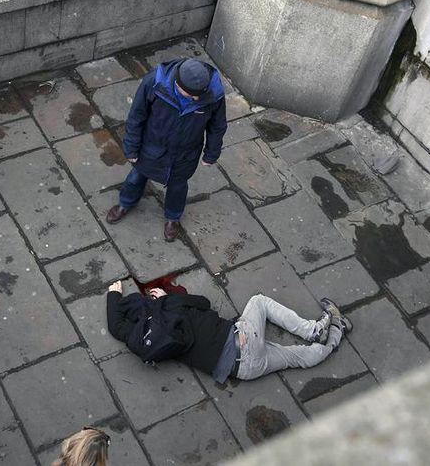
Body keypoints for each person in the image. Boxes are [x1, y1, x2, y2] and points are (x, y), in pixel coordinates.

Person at [105, 280, 352, 382]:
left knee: (294, 358)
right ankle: (314, 331)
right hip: (241, 340)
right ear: (148, 300)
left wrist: (113, 300)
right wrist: (165, 298)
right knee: (259, 302)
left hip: (242, 371)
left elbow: (117, 328)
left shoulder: (141, 338)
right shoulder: (168, 304)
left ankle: (336, 332)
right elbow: (204, 303)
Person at [106, 58, 228, 242]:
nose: (196, 99)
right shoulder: (155, 83)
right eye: (190, 95)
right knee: (136, 177)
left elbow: (217, 126)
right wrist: (131, 148)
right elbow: (136, 116)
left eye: (198, 96)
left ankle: (173, 218)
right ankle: (125, 203)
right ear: (177, 84)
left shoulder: (213, 95)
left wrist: (211, 153)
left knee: (178, 187)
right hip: (151, 147)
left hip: (185, 155)